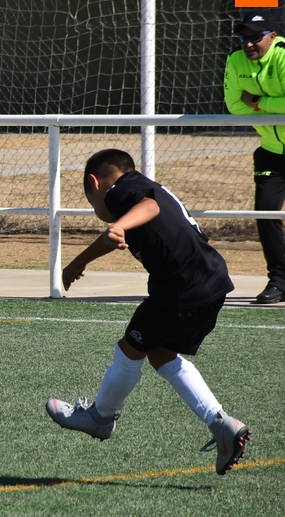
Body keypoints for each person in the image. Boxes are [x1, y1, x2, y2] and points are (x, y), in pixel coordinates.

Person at [46, 149, 250, 476]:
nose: (99, 210)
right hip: (212, 283)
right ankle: (221, 424)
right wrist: (81, 260)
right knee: (161, 353)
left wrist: (118, 227)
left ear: (94, 183)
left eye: (91, 201)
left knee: (130, 348)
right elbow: (146, 211)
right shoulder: (141, 184)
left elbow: (148, 207)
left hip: (180, 288)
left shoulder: (120, 190)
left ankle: (100, 418)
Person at [224, 10, 285, 304]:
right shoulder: (235, 60)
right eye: (243, 37)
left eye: (255, 37)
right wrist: (266, 108)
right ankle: (280, 283)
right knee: (266, 215)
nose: (248, 44)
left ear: (271, 37)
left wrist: (256, 101)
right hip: (270, 152)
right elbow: (233, 107)